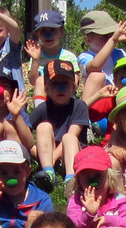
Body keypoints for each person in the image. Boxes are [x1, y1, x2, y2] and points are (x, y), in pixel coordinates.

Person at [68, 144, 126, 228]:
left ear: (109, 177)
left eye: (98, 175)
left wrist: (109, 220)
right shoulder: (76, 201)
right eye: (87, 177)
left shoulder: (118, 200)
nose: (93, 182)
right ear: (78, 181)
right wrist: (88, 215)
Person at [29, 51, 88, 179]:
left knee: (69, 138)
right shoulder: (43, 108)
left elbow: (73, 134)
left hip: (74, 153)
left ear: (73, 87)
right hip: (50, 154)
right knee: (43, 127)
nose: (60, 88)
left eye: (65, 83)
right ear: (47, 89)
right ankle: (48, 173)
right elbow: (25, 131)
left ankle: (71, 178)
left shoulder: (79, 106)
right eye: (55, 84)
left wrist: (52, 158)